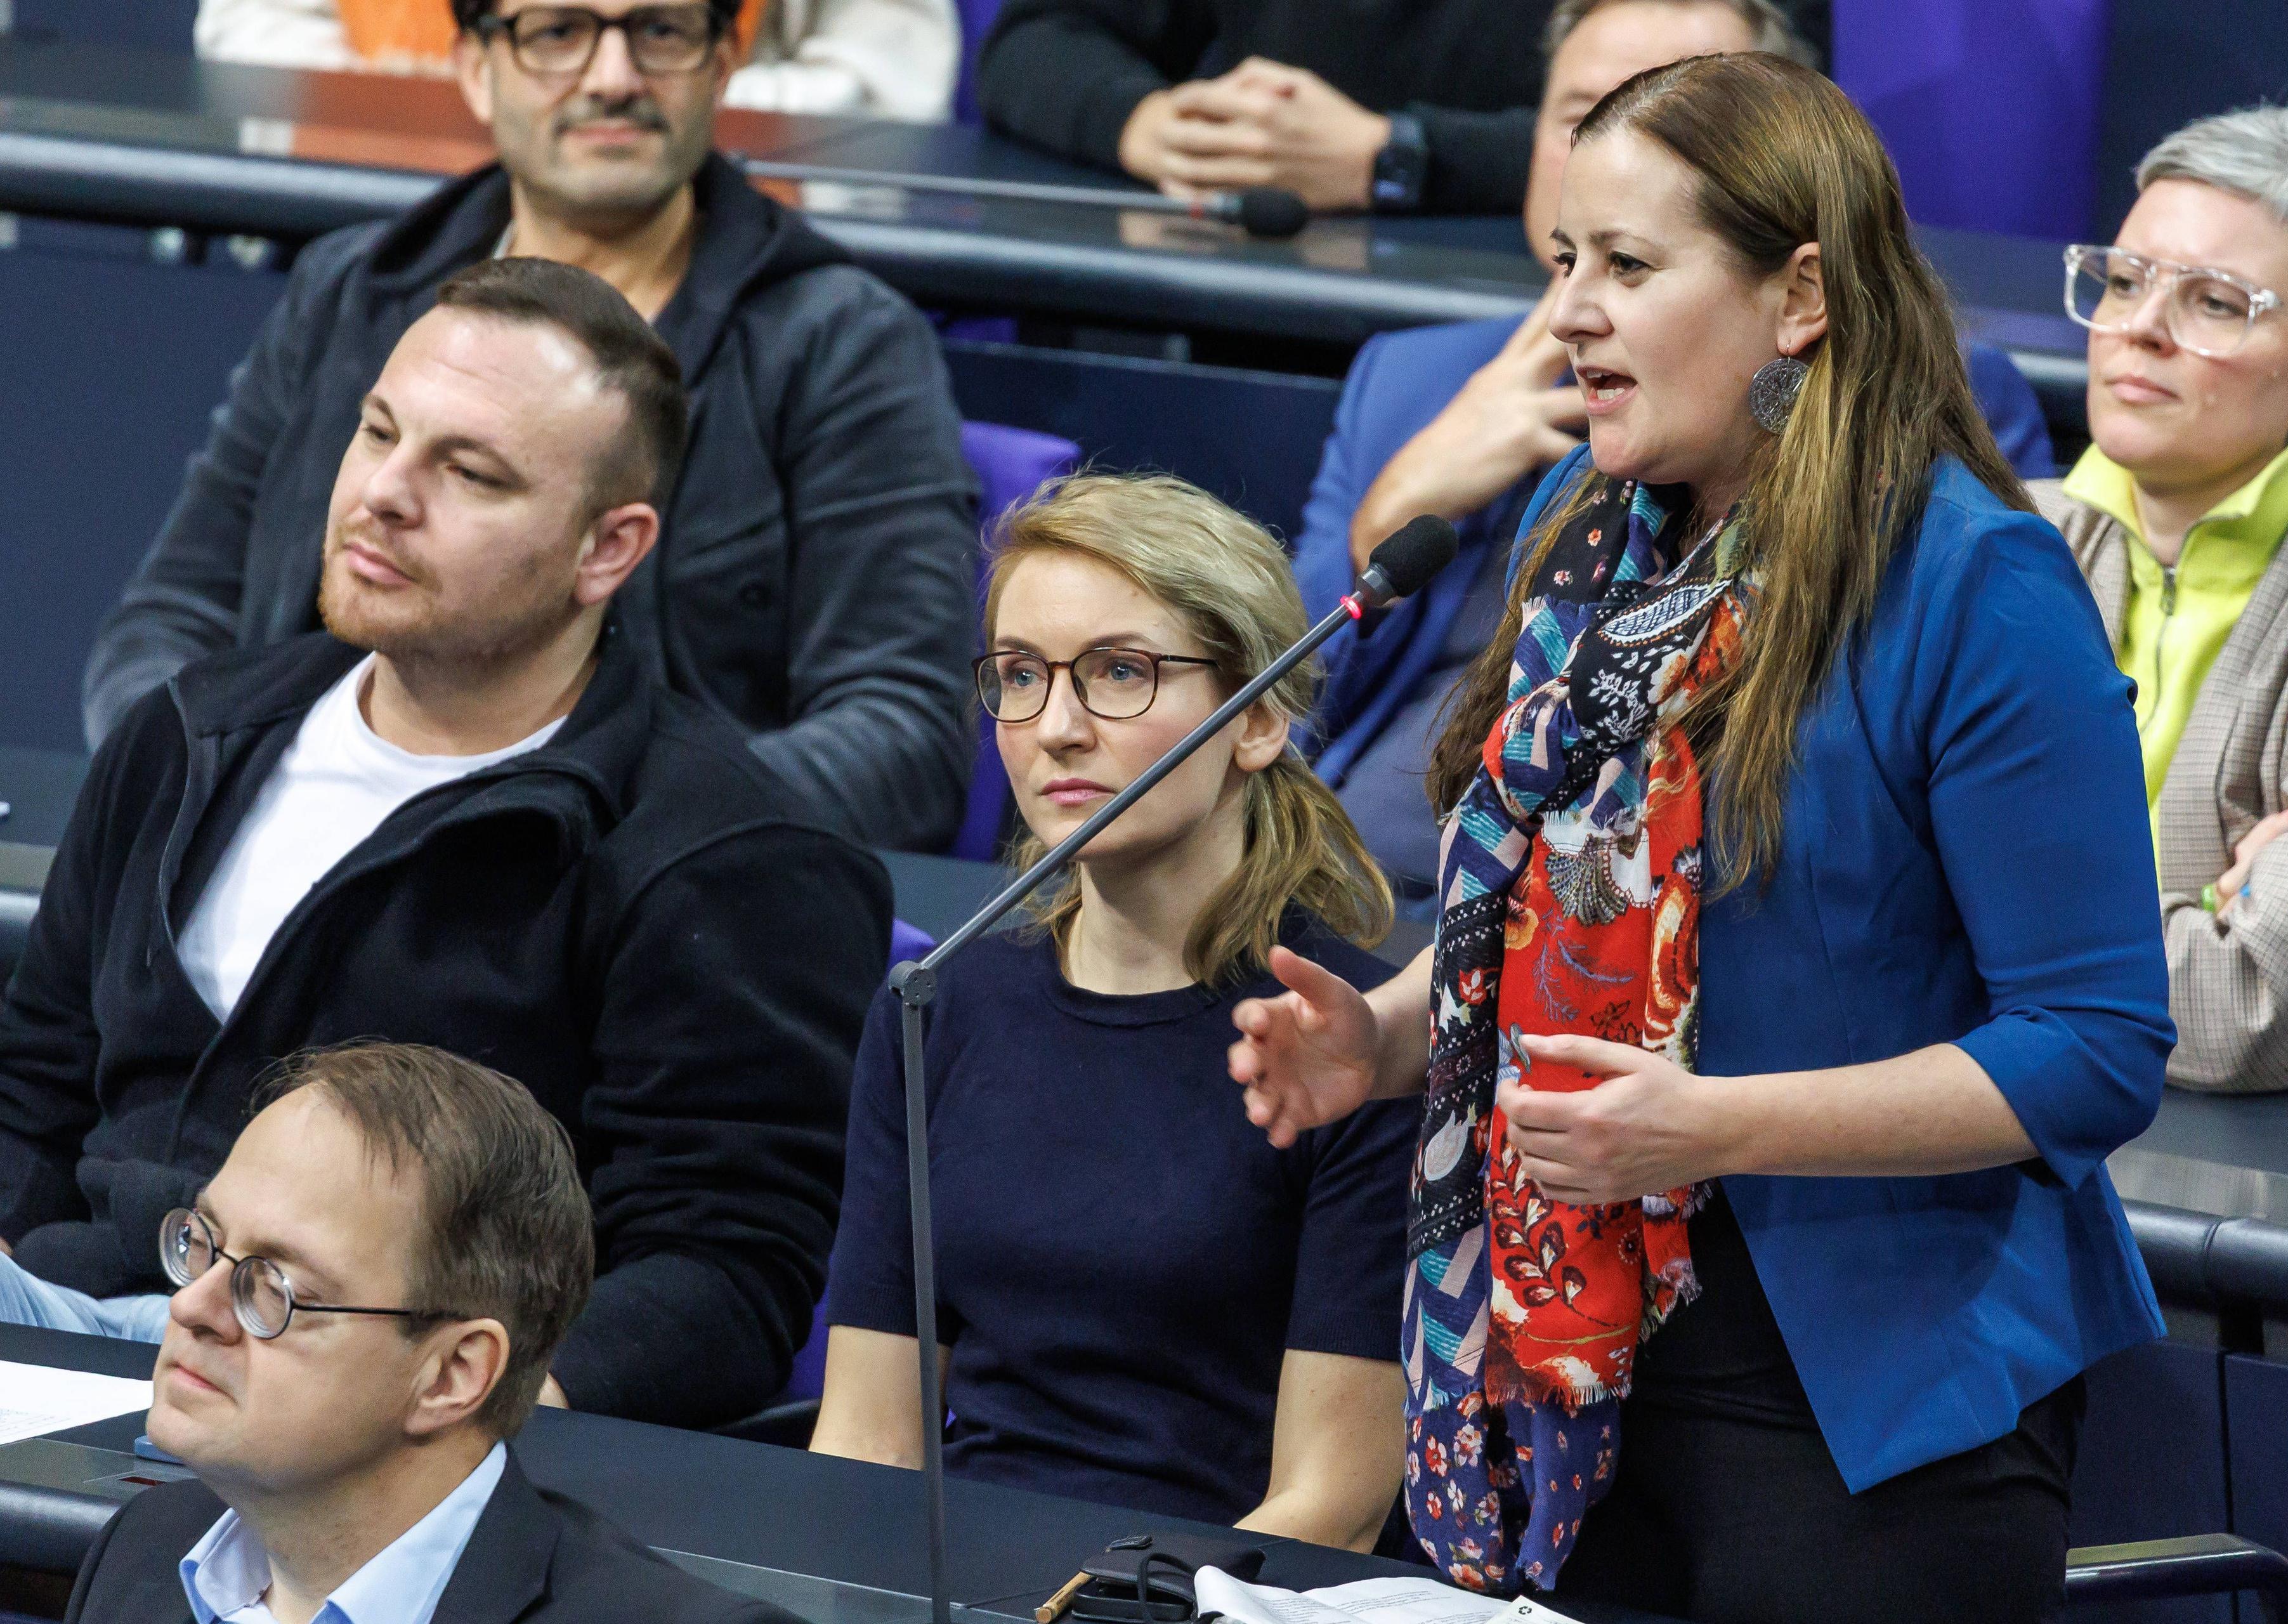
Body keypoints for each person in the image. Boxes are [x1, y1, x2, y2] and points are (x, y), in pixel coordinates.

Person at [1229, 54, 2172, 1620]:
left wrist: (1712, 1124)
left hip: (1863, 1405)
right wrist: (1386, 1039)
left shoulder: (1971, 584)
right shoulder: (1587, 536)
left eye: (1626, 267)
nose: (1570, 315)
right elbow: (1549, 901)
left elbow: (2092, 1047)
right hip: (1562, 1363)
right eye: (1561, 266)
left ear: (1796, 294)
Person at [0, 261, 889, 1431]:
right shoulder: (188, 731)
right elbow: (34, 1087)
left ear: (607, 550)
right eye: (378, 433)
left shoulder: (732, 858)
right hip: (68, 1339)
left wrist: (464, 1437)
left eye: (468, 473)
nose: (383, 493)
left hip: (383, 1410)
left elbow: (721, 1270)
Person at [89, 0, 977, 853]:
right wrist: (236, 786)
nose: (614, 76)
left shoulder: (844, 343)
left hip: (637, 912)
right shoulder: (350, 290)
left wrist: (544, 826)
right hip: (301, 841)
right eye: (558, 31)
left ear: (723, 62)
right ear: (475, 67)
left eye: (661, 31)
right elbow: (168, 621)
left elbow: (901, 741)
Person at [1293, 0, 2053, 903]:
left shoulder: (1949, 492)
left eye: (1682, 107)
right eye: (1587, 112)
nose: (1623, 142)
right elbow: (1273, 707)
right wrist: (1397, 509)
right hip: (1354, 903)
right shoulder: (1418, 385)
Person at [811, 475, 1418, 1549]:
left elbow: (1333, 1508)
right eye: (1019, 677)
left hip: (1212, 1600)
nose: (1056, 729)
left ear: (1260, 721)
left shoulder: (1350, 1038)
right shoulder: (938, 1004)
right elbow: (866, 1441)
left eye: (1120, 675)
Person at [63, 1042, 799, 1624]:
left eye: (274, 1288)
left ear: (451, 1375)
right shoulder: (144, 1549)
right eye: (203, 1242)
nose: (192, 1306)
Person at [2034, 105, 2288, 1094]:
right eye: (2124, 282)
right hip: (1984, 1137)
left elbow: (2246, 1010)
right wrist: (2205, 902)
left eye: (2215, 303)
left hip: (2278, 1193)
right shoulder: (1998, 540)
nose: (2140, 330)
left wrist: (1969, 917)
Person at [977, 0, 1559, 216]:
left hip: (1522, 291)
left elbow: (1641, 122)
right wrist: (1153, 125)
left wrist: (1398, 156)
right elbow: (1034, 38)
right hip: (1251, 273)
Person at [193, 0, 962, 121]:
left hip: (718, 263)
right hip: (376, 230)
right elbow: (253, 36)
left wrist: (613, 116)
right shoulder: (333, 305)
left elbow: (884, 88)